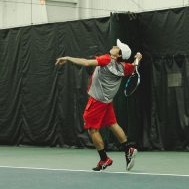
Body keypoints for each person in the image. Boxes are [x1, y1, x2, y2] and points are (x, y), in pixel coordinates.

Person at [56, 39, 142, 171]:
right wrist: (138, 58)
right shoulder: (125, 67)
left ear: (118, 55)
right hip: (107, 101)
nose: (113, 46)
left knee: (92, 129)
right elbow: (134, 66)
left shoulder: (106, 60)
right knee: (113, 124)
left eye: (116, 47)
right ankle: (128, 149)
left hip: (97, 101)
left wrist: (67, 58)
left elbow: (86, 62)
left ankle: (104, 159)